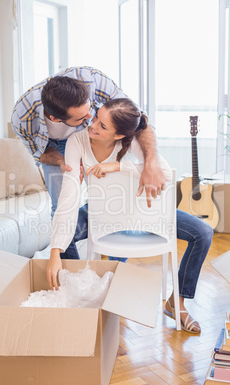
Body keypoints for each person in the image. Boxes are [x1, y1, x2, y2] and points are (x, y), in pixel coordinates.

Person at [46, 97, 213, 335]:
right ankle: (82, 296)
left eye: (102, 126)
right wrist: (55, 251)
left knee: (203, 233)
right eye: (96, 118)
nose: (92, 126)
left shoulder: (132, 141)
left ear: (118, 136)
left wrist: (118, 167)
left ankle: (177, 301)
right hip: (101, 214)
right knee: (64, 237)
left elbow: (165, 173)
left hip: (141, 213)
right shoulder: (77, 141)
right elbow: (69, 194)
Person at [11, 66, 165, 259]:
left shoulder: (93, 81)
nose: (89, 119)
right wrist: (62, 162)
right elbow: (38, 153)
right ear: (55, 118)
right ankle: (69, 268)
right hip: (53, 147)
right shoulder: (22, 118)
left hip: (99, 136)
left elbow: (137, 120)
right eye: (82, 117)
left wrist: (150, 163)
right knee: (62, 203)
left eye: (91, 110)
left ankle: (116, 265)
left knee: (113, 197)